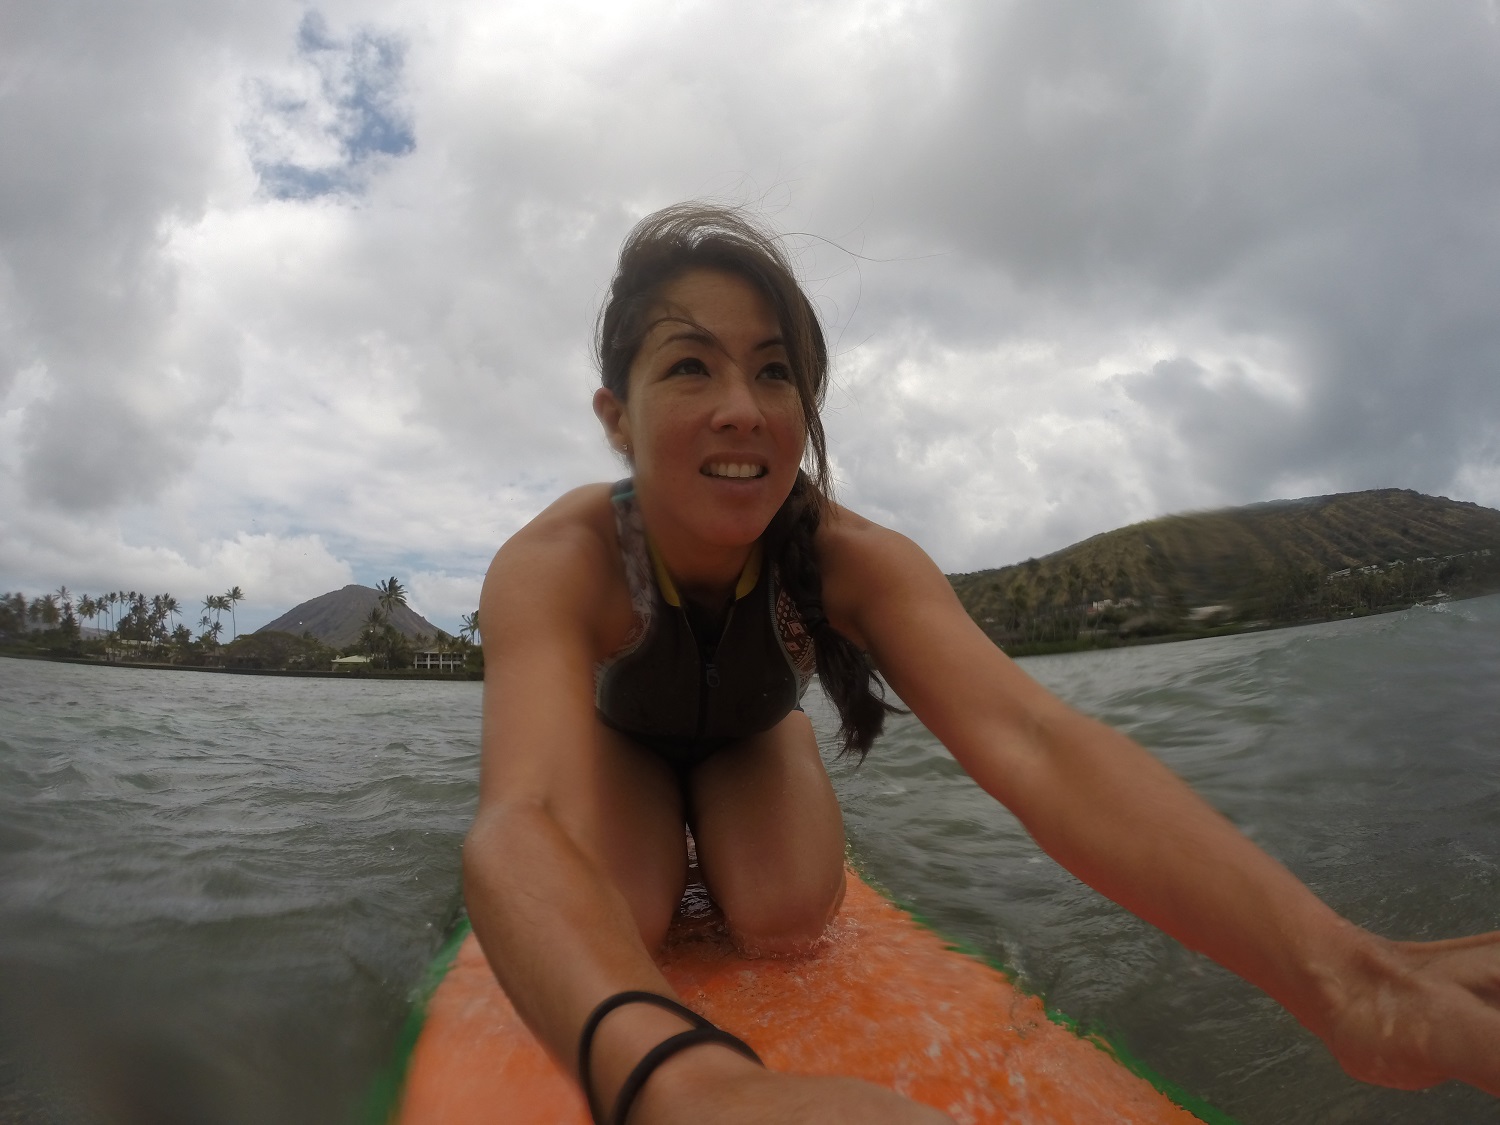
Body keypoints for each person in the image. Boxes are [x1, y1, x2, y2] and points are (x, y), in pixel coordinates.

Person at [462, 203, 1500, 1124]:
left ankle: (740, 829)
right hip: (621, 748)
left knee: (781, 917)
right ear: (616, 417)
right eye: (690, 365)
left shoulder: (848, 559)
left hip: (750, 741)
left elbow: (1037, 741)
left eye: (774, 369)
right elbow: (526, 820)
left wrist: (1343, 977)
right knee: (631, 918)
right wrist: (684, 1082)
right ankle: (664, 860)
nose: (745, 406)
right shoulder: (562, 563)